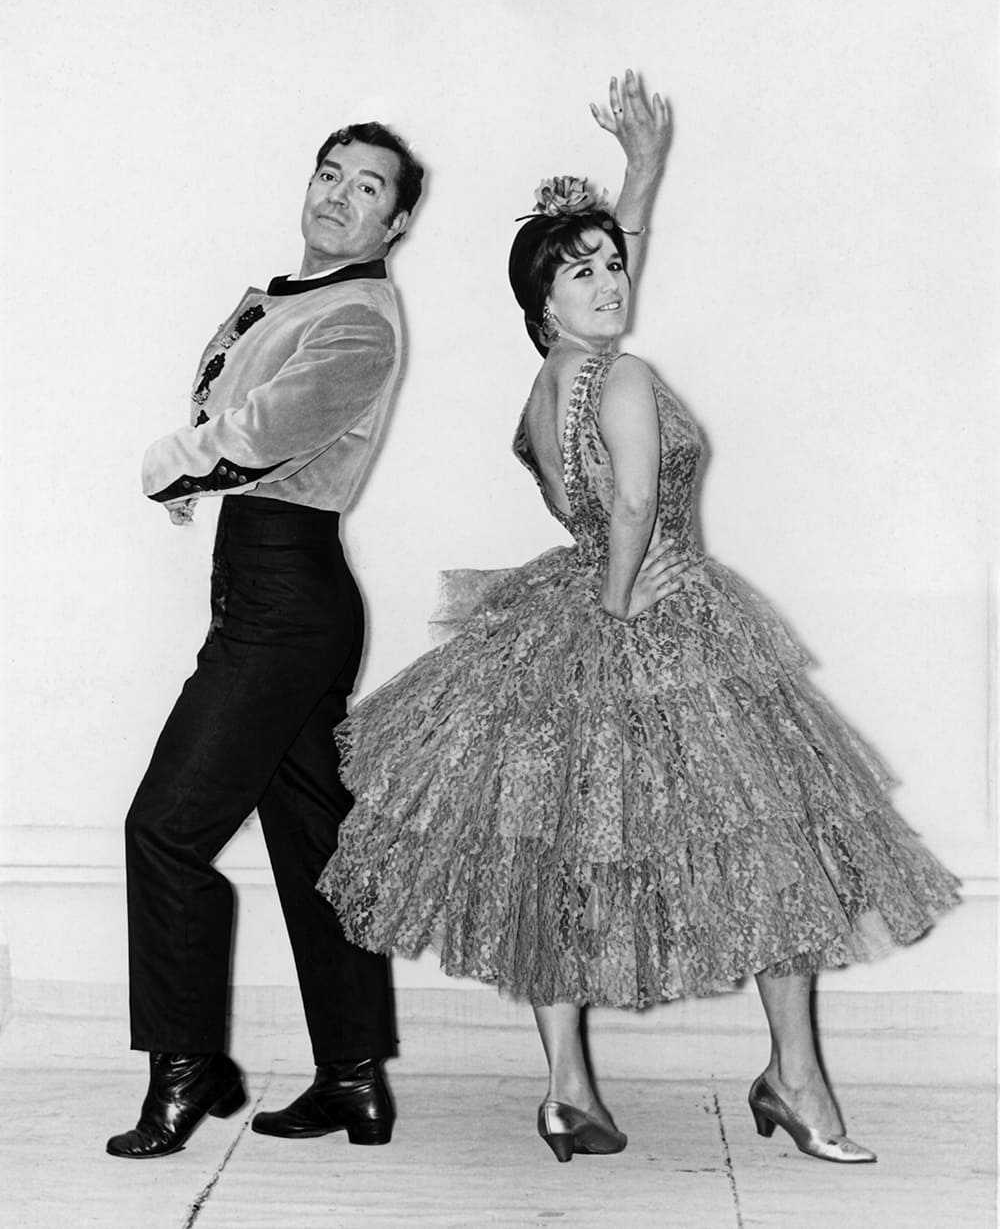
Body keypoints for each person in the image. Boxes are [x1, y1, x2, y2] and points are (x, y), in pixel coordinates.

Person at [316, 73, 960, 1165]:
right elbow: (627, 503)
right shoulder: (623, 375)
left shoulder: (550, 382)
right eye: (585, 271)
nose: (611, 279)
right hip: (649, 617)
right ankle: (795, 1079)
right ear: (544, 301)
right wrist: (622, 601)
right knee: (770, 839)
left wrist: (642, 172)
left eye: (612, 263)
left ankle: (568, 1091)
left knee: (554, 850)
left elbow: (597, 331)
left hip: (558, 621)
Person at [107, 121, 424, 1159]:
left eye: (367, 187)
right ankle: (353, 1078)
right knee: (315, 842)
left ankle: (186, 1065)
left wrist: (170, 461)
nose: (338, 194)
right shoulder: (296, 297)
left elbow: (258, 432)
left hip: (287, 600)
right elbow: (229, 405)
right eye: (330, 173)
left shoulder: (359, 318)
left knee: (164, 828)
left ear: (397, 222)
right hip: (269, 589)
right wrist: (204, 453)